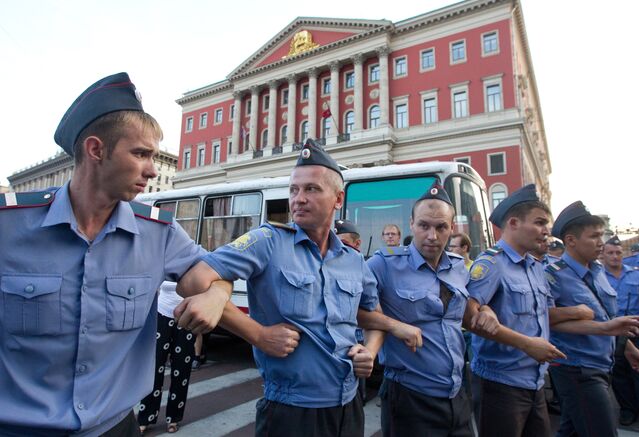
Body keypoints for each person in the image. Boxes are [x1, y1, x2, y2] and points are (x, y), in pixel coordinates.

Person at [0, 73, 230, 436]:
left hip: (115, 427)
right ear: (96, 150)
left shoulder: (159, 232)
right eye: (141, 154)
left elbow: (212, 274)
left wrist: (217, 294)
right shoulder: (8, 227)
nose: (153, 170)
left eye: (154, 156)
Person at [177, 139, 393, 437]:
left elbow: (374, 317)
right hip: (291, 413)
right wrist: (258, 335)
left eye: (312, 189)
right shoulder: (267, 241)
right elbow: (192, 281)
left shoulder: (353, 260)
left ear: (338, 198)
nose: (298, 198)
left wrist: (370, 351)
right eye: (294, 190)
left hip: (349, 404)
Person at [359, 181, 500, 437]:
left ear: (451, 229)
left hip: (457, 392)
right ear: (411, 224)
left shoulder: (458, 267)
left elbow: (467, 312)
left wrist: (485, 310)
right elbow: (351, 309)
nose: (432, 236)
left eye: (440, 227)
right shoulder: (384, 264)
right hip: (410, 398)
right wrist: (392, 325)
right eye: (424, 226)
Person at [467, 184, 585, 437]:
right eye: (540, 222)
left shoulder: (535, 266)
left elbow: (545, 316)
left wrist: (607, 329)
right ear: (513, 223)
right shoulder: (491, 264)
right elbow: (468, 315)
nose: (546, 231)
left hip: (534, 380)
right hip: (500, 383)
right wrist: (525, 344)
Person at [546, 201, 639, 437]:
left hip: (602, 363)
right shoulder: (553, 275)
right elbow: (547, 319)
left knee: (572, 430)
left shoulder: (598, 270)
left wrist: (628, 348)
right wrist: (605, 328)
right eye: (594, 236)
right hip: (577, 368)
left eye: (601, 235)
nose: (601, 243)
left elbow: (607, 314)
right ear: (571, 240)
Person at [602, 236, 639, 429]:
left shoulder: (637, 275)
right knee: (619, 373)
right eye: (610, 253)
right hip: (614, 331)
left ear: (624, 253)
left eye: (618, 252)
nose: (615, 257)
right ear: (603, 255)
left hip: (638, 330)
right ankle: (628, 410)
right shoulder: (599, 277)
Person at [138, 282, 197, 434]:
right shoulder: (165, 260)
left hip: (186, 319)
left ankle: (174, 418)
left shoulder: (196, 261)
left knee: (181, 370)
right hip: (162, 314)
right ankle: (145, 417)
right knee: (154, 368)